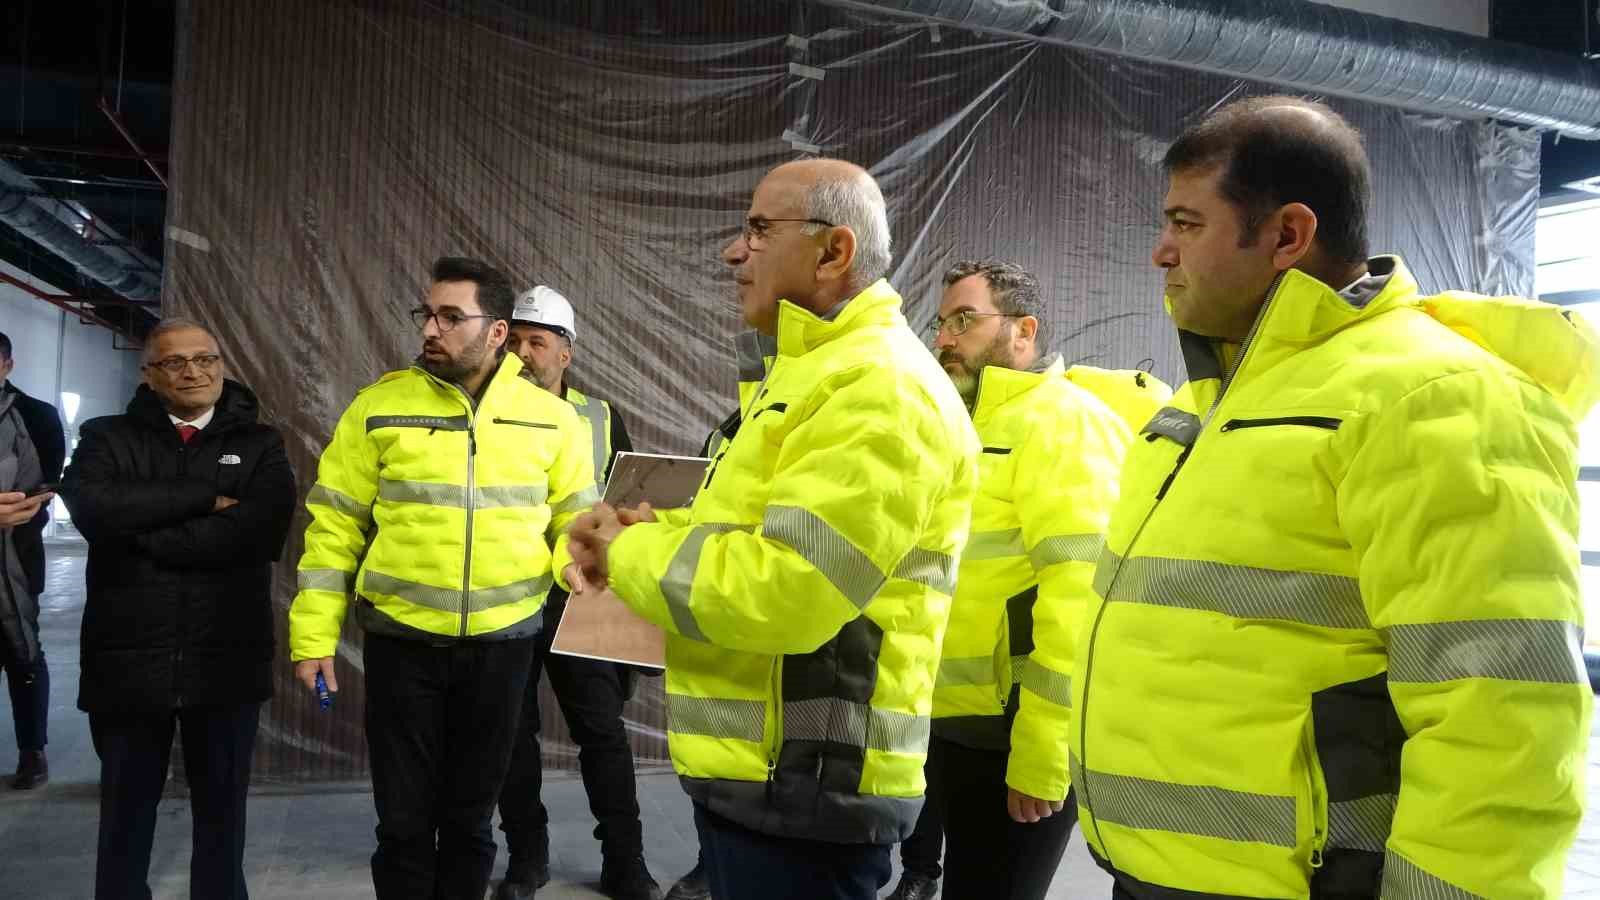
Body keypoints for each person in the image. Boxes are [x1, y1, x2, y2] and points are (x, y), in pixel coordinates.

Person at [1070, 95, 1596, 899]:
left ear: (1288, 235)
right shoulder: (1214, 400)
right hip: (1157, 872)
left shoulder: (1434, 397)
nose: (1160, 251)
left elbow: (1500, 710)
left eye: (1186, 223)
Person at [562, 158, 980, 900]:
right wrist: (646, 529)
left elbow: (789, 588)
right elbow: (755, 528)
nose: (735, 251)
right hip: (772, 777)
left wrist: (630, 550)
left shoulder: (877, 385)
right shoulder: (811, 374)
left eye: (759, 229)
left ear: (833, 252)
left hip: (808, 787)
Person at [290, 257, 597, 900]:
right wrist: (314, 636)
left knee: (470, 822)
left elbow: (573, 515)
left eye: (452, 317)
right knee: (402, 824)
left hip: (503, 647)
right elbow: (333, 526)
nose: (431, 328)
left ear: (497, 332)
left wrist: (573, 559)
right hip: (403, 645)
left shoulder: (552, 419)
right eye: (427, 314)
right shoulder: (379, 407)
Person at [913, 261, 1156, 900]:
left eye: (964, 320)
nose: (944, 337)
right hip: (950, 724)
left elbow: (1081, 598)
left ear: (1024, 331)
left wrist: (1043, 753)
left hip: (1011, 735)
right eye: (941, 322)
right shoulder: (970, 424)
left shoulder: (1064, 422)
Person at [60, 318, 296, 900]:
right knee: (124, 812)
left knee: (222, 813)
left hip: (226, 657)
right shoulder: (107, 436)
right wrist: (203, 498)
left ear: (221, 365)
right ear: (149, 374)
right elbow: (92, 509)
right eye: (175, 362)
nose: (193, 371)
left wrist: (141, 533)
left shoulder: (260, 444)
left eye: (205, 359)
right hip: (127, 661)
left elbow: (261, 531)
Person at [494, 284, 657, 900]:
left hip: (580, 594)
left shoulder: (600, 417)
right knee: (512, 734)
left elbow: (628, 501)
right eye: (514, 340)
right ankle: (526, 859)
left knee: (602, 731)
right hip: (511, 591)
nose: (522, 353)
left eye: (537, 342)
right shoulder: (488, 412)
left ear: (566, 353)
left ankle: (625, 862)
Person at [0, 332, 64, 790]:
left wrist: (17, 512)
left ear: (7, 365)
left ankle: (32, 751)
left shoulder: (36, 416)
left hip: (15, 559)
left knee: (23, 654)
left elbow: (47, 484)